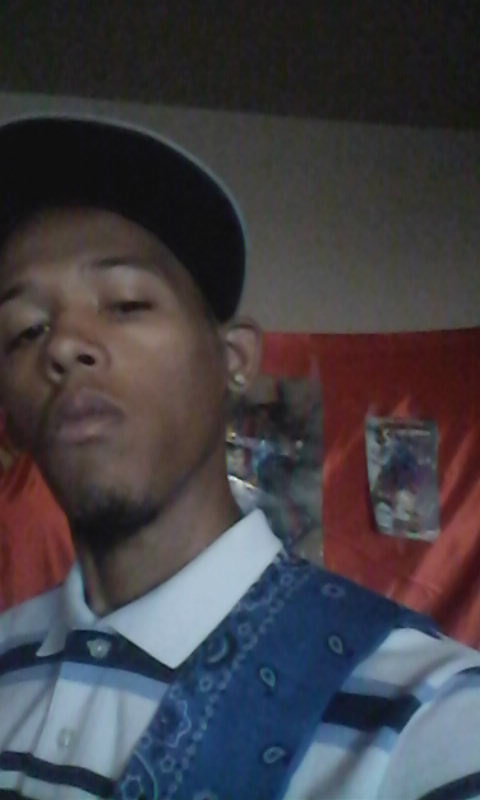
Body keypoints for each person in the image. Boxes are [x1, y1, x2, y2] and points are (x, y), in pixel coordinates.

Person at [0, 114, 479, 800]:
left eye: (126, 303)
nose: (64, 344)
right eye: (25, 329)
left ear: (233, 361)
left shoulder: (422, 717)